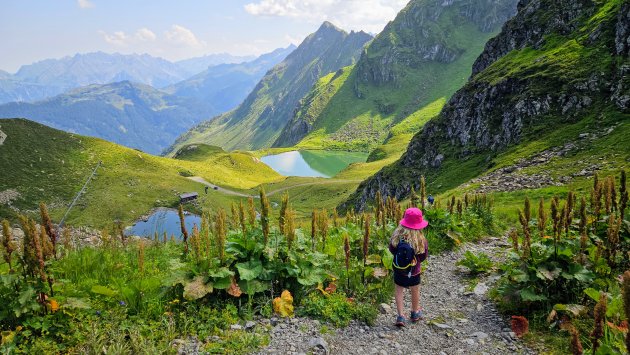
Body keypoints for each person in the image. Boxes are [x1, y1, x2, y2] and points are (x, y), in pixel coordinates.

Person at [388, 207, 429, 327]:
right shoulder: (421, 239)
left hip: (399, 270)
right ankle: (415, 312)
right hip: (414, 271)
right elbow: (423, 256)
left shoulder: (397, 236)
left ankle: (400, 316)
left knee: (399, 290)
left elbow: (391, 249)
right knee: (415, 290)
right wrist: (415, 262)